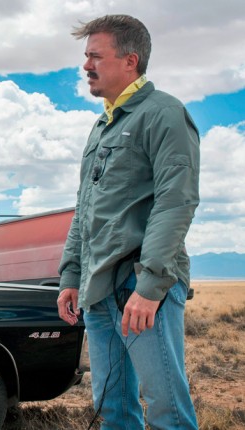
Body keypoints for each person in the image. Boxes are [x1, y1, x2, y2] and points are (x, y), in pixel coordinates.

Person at [56, 15, 199, 429]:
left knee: (168, 413)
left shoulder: (164, 113)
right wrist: (71, 275)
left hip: (140, 288)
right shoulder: (102, 126)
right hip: (98, 291)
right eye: (86, 57)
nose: (86, 66)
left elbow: (176, 203)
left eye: (95, 56)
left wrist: (150, 287)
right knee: (113, 411)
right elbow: (84, 208)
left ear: (130, 60)